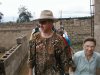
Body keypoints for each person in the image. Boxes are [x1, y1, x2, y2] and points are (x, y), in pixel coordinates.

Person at [27, 10, 74, 75]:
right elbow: (31, 58)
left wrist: (66, 72)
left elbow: (65, 61)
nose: (40, 25)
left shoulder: (59, 40)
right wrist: (30, 73)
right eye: (39, 23)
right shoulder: (34, 38)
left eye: (43, 22)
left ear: (51, 23)